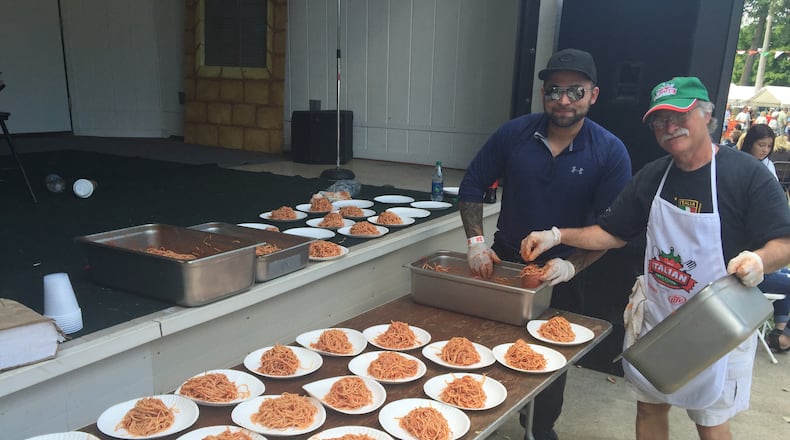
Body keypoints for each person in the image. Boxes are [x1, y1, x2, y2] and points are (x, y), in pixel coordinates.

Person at [521, 77, 790, 440]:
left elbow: (784, 242)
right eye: (659, 120)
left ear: (707, 116)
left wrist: (758, 261)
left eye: (680, 115)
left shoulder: (745, 174)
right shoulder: (654, 176)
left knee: (710, 422)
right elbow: (610, 233)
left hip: (720, 324)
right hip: (660, 316)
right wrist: (556, 235)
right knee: (649, 406)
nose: (669, 127)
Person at [458, 48, 632, 440]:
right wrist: (475, 243)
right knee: (484, 347)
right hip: (504, 264)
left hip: (568, 272)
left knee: (549, 363)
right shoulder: (513, 134)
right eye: (554, 90)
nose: (563, 100)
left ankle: (539, 429)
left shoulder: (609, 151)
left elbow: (614, 228)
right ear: (543, 94)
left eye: (575, 91)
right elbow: (472, 186)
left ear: (594, 95)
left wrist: (571, 265)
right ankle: (476, 419)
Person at [739, 123, 790, 353]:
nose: (765, 150)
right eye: (762, 145)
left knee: (785, 276)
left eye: (769, 146)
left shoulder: (767, 167)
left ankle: (779, 332)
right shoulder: (742, 170)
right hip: (749, 267)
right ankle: (784, 336)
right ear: (750, 143)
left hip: (763, 259)